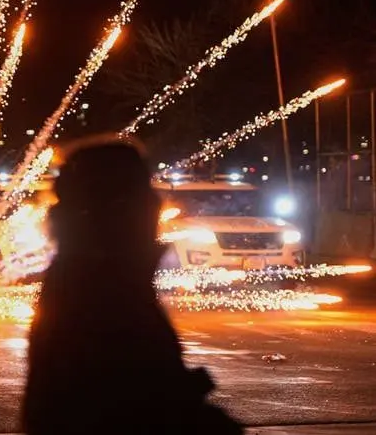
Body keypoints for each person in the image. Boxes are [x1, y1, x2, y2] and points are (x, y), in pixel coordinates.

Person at [22, 136, 242, 434]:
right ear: (116, 206)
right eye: (143, 191)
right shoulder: (100, 288)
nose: (157, 203)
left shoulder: (97, 274)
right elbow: (131, 403)